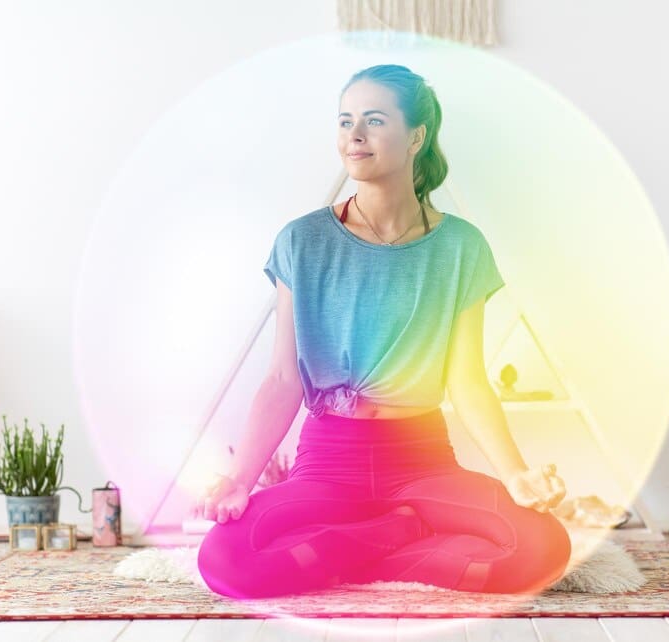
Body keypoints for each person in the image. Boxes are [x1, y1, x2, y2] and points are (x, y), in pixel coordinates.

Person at [192, 64, 571, 599]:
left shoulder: (461, 247)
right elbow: (282, 379)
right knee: (226, 563)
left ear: (417, 136)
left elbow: (467, 382)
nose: (355, 135)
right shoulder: (302, 241)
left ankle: (350, 549)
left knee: (541, 548)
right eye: (346, 121)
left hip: (423, 464)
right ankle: (397, 537)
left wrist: (516, 475)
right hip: (327, 464)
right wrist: (239, 482)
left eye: (373, 120)